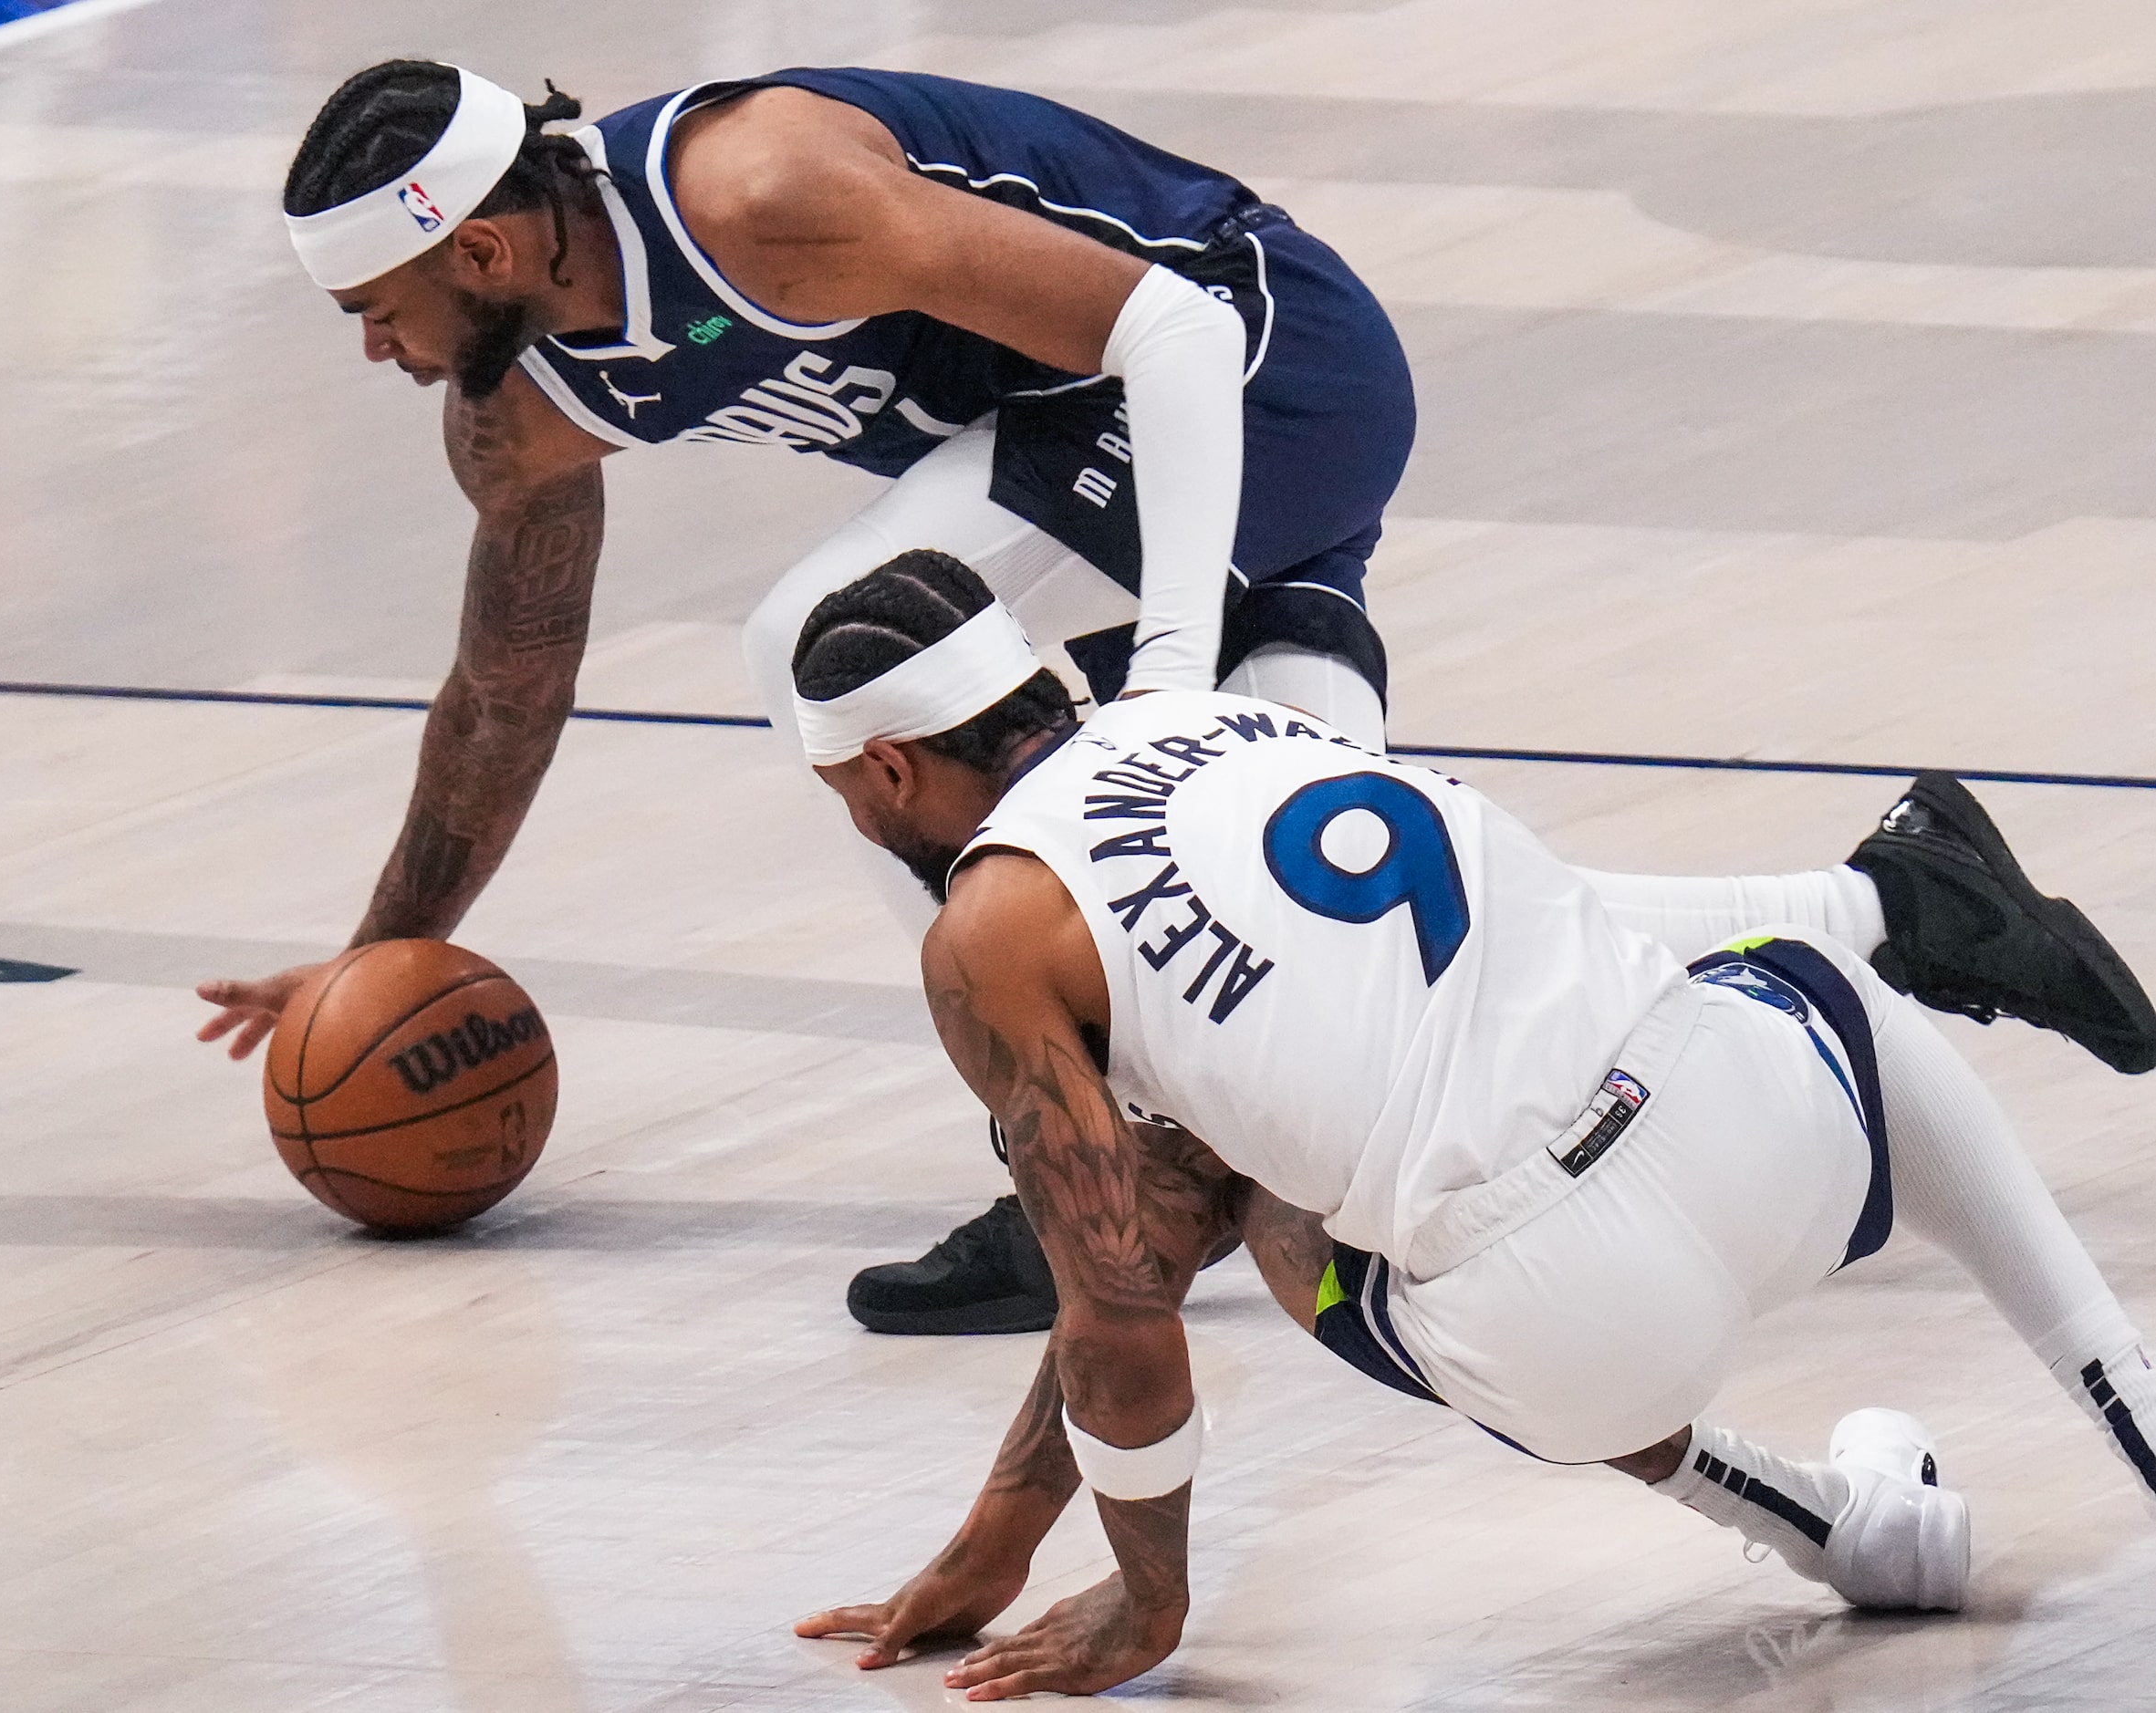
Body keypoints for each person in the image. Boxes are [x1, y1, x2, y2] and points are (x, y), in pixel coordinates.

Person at [193, 59, 2154, 1334]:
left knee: (828, 642)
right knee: (1355, 932)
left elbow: (1173, 329)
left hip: (1256, 375)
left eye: (377, 306)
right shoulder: (513, 400)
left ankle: (1071, 1170)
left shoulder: (758, 188)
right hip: (1084, 452)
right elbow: (505, 675)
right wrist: (384, 954)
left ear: (482, 240)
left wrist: (1153, 692)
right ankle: (1896, 907)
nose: (371, 350)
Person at [784, 552, 2156, 1699]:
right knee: (1819, 981)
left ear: (891, 767)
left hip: (1575, 1328)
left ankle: (1835, 1524)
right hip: (1765, 1134)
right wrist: (1000, 1534)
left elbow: (1119, 1300)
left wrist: (1140, 1600)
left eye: (840, 795)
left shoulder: (990, 932)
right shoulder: (1227, 724)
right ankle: (2125, 1394)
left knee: (1281, 1217)